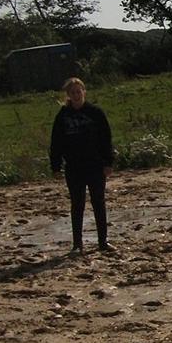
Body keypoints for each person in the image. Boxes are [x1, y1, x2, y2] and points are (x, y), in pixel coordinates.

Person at [49, 77, 114, 253]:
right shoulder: (63, 116)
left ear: (84, 92)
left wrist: (108, 162)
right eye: (73, 92)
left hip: (95, 165)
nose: (76, 95)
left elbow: (106, 139)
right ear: (68, 95)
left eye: (79, 91)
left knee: (98, 202)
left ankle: (103, 241)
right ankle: (77, 244)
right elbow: (56, 142)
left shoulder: (95, 113)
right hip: (74, 167)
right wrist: (55, 166)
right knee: (77, 204)